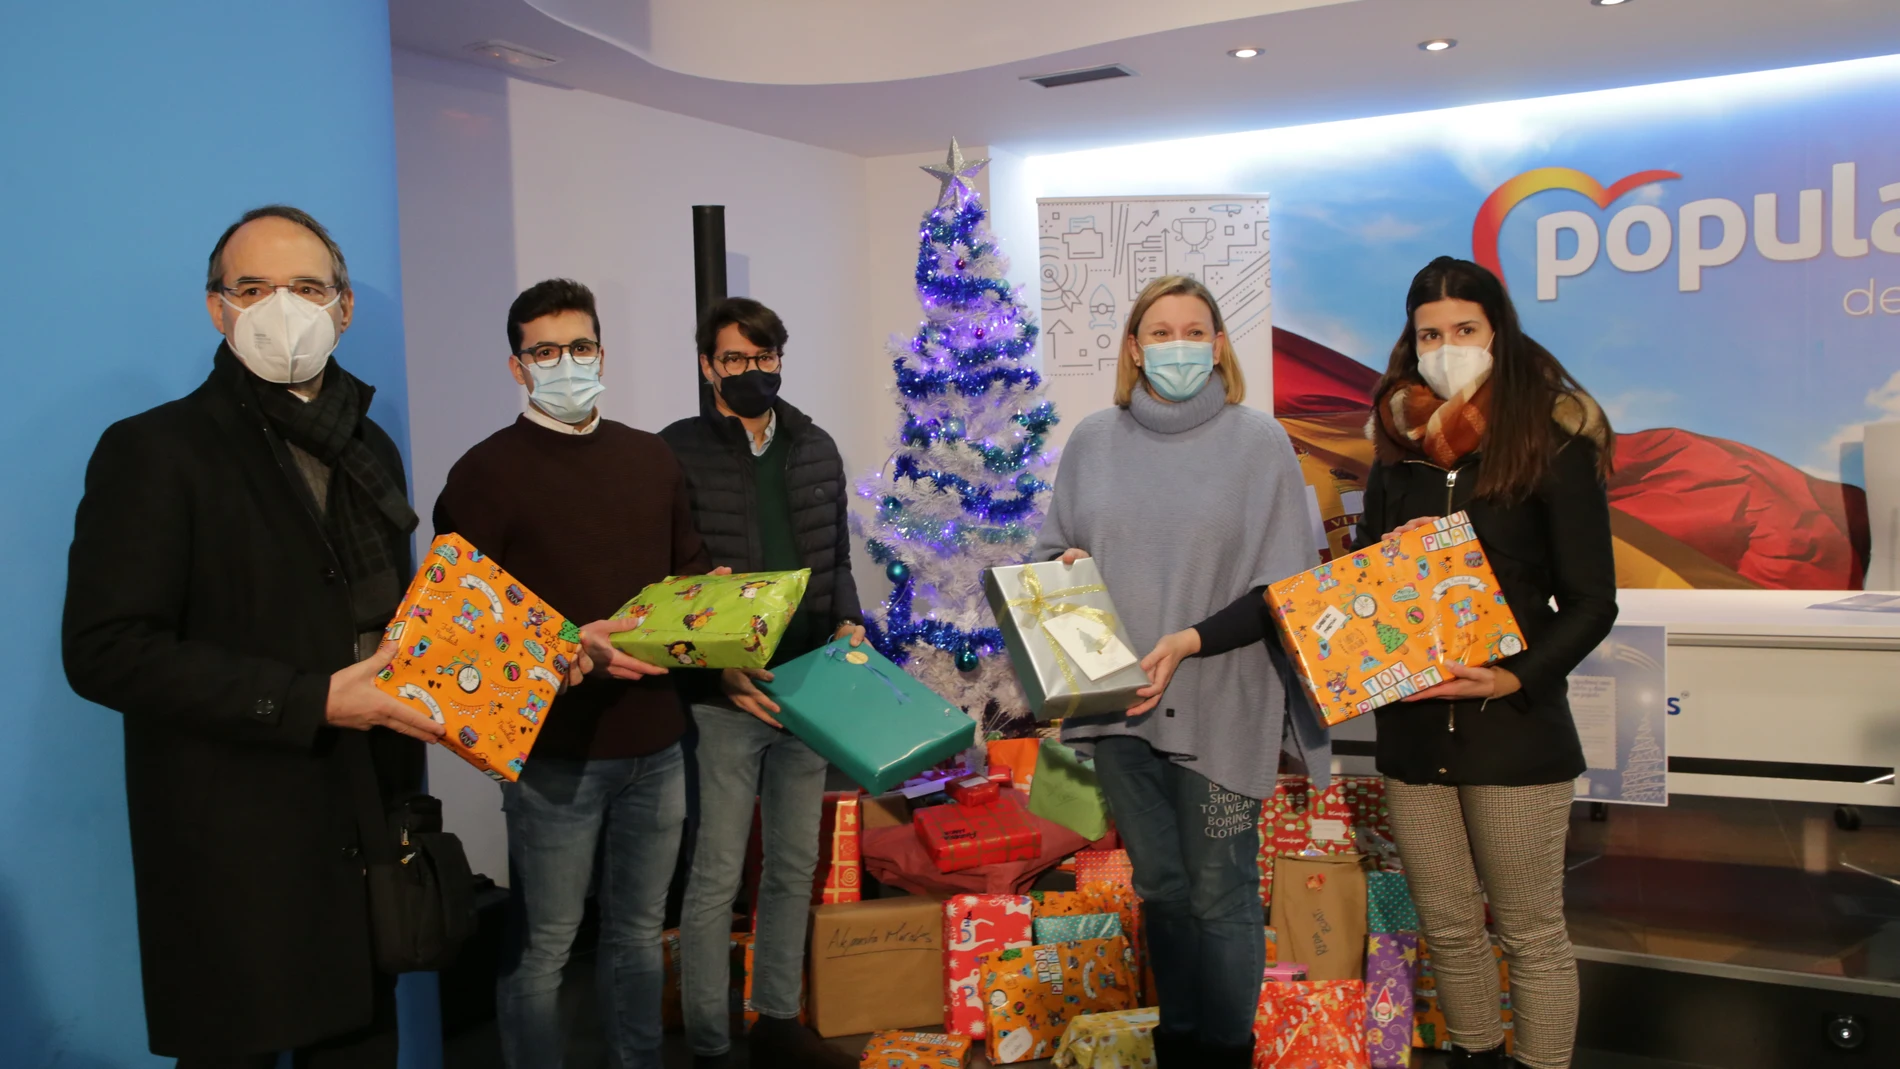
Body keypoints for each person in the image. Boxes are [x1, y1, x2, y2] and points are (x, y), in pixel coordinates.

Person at [62, 205, 448, 1067]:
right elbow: (105, 648)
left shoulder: (368, 445)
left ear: (343, 308)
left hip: (361, 829)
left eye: (307, 287)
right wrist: (311, 698)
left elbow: (389, 619)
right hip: (234, 849)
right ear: (217, 307)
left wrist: (545, 652)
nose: (284, 306)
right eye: (254, 287)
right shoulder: (156, 450)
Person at [1034, 275, 1327, 1069]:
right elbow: (1049, 551)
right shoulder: (1093, 440)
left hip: (1223, 700)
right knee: (1162, 887)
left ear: (1221, 345)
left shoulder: (1258, 443)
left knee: (1222, 891)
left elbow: (1284, 591)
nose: (1177, 345)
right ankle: (1181, 1043)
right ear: (1134, 347)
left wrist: (1190, 640)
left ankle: (1227, 1050)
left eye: (1194, 330)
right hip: (1119, 706)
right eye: (1159, 332)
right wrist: (1060, 564)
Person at [432, 279, 715, 1069]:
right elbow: (459, 626)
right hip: (553, 754)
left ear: (602, 351)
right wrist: (566, 647)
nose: (566, 364)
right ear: (518, 367)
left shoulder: (648, 456)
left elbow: (684, 570)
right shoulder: (483, 474)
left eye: (580, 347)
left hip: (657, 741)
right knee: (546, 947)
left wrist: (716, 607)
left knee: (634, 933)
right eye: (546, 351)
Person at [1358, 255, 1617, 1069]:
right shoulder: (1395, 454)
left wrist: (1515, 674)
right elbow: (1368, 584)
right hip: (1411, 731)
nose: (1447, 346)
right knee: (1447, 927)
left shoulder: (1552, 441)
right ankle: (1473, 1053)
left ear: (1497, 333)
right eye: (1430, 333)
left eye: (1464, 329)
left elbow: (1591, 602)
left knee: (1532, 933)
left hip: (1512, 729)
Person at [661, 297, 864, 1069]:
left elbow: (836, 556)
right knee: (716, 867)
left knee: (791, 862)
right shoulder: (674, 451)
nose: (753, 371)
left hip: (807, 683)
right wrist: (716, 665)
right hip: (723, 695)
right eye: (736, 359)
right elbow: (671, 579)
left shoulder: (815, 445)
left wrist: (847, 619)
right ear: (709, 366)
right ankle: (712, 1038)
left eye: (765, 356)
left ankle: (776, 1016)